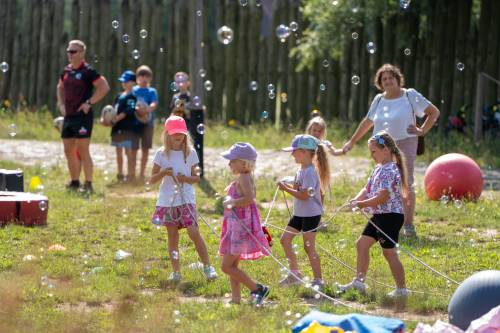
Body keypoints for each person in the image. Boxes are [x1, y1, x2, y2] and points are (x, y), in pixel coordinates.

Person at [342, 64, 440, 237]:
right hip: (382, 147)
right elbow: (367, 121)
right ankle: (386, 221)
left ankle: (408, 226)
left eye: (391, 77)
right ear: (380, 83)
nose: (388, 81)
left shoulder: (410, 95)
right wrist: (352, 141)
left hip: (406, 143)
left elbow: (434, 112)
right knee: (381, 182)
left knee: (405, 184)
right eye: (384, 78)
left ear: (398, 79)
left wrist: (422, 130)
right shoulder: (379, 99)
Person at [338, 131, 409, 298]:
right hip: (379, 215)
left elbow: (383, 197)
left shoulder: (390, 170)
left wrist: (362, 204)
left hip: (390, 217)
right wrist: (356, 200)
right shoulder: (378, 168)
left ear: (386, 150)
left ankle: (402, 290)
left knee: (389, 252)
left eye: (374, 151)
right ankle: (359, 283)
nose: (372, 156)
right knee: (361, 245)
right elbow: (367, 188)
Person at [149, 115, 217, 282]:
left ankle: (208, 267)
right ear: (167, 135)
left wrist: (185, 179)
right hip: (167, 200)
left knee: (194, 232)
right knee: (172, 235)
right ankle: (176, 272)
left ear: (185, 134)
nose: (177, 136)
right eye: (174, 133)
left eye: (180, 133)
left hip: (186, 198)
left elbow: (196, 178)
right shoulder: (161, 153)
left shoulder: (191, 153)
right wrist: (164, 173)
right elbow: (151, 179)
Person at [219, 142, 270, 306]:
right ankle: (236, 299)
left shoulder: (244, 177)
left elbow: (249, 199)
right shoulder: (243, 177)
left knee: (226, 267)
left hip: (240, 229)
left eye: (232, 160)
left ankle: (257, 288)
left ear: (243, 163)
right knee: (233, 265)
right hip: (237, 228)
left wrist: (232, 202)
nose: (229, 163)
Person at [277, 134, 330, 290]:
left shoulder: (310, 172)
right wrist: (287, 185)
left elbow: (305, 195)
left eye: (294, 151)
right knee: (285, 240)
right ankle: (295, 274)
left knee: (308, 247)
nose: (292, 154)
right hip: (299, 214)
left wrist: (286, 189)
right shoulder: (301, 169)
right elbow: (299, 189)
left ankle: (318, 279)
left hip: (311, 214)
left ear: (305, 152)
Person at [56, 40, 109, 192]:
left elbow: (104, 87)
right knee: (68, 150)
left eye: (73, 51)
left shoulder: (88, 71)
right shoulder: (66, 71)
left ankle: (88, 183)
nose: (70, 54)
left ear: (82, 53)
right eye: (68, 51)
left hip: (82, 116)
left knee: (83, 149)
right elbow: (59, 87)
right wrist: (61, 104)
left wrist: (89, 103)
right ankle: (74, 182)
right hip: (69, 116)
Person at [104, 70, 142, 182]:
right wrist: (107, 119)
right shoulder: (119, 95)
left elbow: (128, 111)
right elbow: (112, 109)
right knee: (118, 152)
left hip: (128, 128)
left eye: (126, 81)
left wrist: (115, 119)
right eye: (123, 81)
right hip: (117, 128)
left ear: (133, 82)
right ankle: (120, 174)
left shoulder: (133, 97)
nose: (124, 83)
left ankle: (130, 175)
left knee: (128, 152)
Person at [133, 65, 158, 181]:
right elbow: (131, 103)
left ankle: (142, 173)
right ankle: (132, 172)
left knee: (145, 148)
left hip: (148, 123)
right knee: (133, 148)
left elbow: (154, 104)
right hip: (134, 122)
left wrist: (146, 110)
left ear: (150, 78)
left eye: (147, 76)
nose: (144, 78)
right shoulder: (134, 90)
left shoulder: (152, 91)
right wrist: (137, 110)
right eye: (141, 75)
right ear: (137, 77)